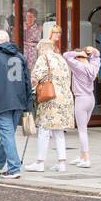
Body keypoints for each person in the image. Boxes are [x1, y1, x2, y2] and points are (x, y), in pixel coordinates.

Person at [0, 30, 31, 180]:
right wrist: (28, 104)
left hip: (1, 102)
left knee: (7, 135)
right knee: (7, 134)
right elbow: (27, 81)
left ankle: (14, 168)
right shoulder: (20, 56)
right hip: (18, 101)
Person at [26, 40, 75, 172]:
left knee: (44, 129)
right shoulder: (61, 59)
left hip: (50, 99)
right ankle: (62, 163)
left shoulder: (44, 58)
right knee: (58, 131)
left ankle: (40, 162)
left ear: (41, 48)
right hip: (65, 98)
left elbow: (35, 78)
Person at [63, 45, 100, 168]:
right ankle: (82, 156)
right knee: (83, 129)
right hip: (91, 99)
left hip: (81, 99)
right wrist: (92, 51)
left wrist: (80, 54)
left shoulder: (78, 66)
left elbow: (66, 55)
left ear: (78, 58)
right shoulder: (93, 66)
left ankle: (86, 158)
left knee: (82, 130)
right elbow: (97, 56)